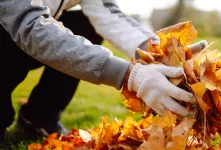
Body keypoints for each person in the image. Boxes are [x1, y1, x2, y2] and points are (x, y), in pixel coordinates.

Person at [0, 0, 200, 143]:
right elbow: (29, 24)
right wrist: (131, 76)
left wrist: (159, 50)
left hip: (28, 38)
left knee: (83, 23)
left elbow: (105, 11)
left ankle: (39, 117)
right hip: (11, 35)